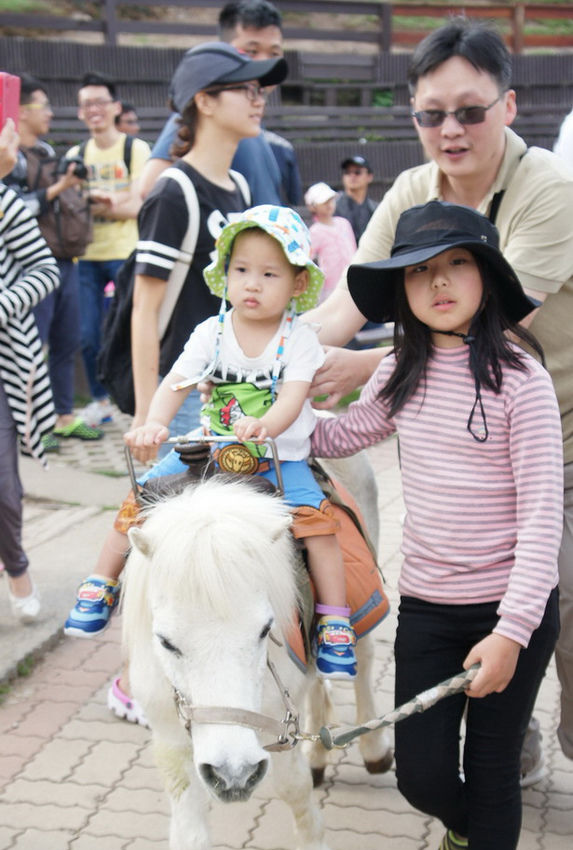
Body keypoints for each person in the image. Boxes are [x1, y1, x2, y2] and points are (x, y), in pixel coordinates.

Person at [301, 17, 573, 779]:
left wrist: (368, 369)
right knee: (471, 583)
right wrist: (271, 358)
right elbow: (343, 307)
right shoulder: (412, 191)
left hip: (556, 426)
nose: (448, 130)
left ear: (508, 107)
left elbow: (489, 325)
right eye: (430, 114)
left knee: (561, 599)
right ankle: (501, 743)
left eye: (468, 111)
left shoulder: (548, 190)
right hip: (465, 442)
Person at [311, 199, 562, 850]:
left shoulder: (520, 378)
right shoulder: (400, 369)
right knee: (421, 775)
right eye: (418, 271)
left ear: (486, 279)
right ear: (403, 293)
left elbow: (539, 518)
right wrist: (271, 423)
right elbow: (344, 436)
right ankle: (461, 833)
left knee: (492, 776)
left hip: (508, 615)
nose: (437, 281)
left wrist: (511, 632)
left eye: (454, 264)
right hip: (427, 602)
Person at [64, 42, 288, 724]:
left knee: (235, 542)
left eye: (261, 87)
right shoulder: (176, 190)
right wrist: (146, 415)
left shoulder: (242, 191)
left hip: (235, 401)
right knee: (159, 533)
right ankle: (133, 673)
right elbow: (145, 311)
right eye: (244, 87)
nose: (259, 97)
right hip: (184, 401)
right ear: (203, 101)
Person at [125, 204, 356, 678]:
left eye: (269, 273)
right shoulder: (210, 332)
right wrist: (153, 422)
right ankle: (103, 582)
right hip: (212, 452)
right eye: (242, 270)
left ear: (296, 284)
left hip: (277, 458)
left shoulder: (299, 339)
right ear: (225, 275)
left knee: (317, 522)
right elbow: (177, 381)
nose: (252, 283)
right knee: (139, 497)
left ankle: (335, 618)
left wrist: (267, 424)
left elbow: (293, 398)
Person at [2, 73, 103, 452]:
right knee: (33, 342)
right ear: (21, 112)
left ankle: (63, 416)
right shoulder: (8, 161)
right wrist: (58, 188)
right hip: (27, 269)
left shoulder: (46, 153)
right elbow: (17, 210)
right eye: (42, 106)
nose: (49, 113)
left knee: (68, 340)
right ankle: (30, 423)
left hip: (63, 259)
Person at [138, 0, 297, 205]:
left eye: (274, 54)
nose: (263, 61)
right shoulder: (203, 114)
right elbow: (152, 189)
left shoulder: (249, 124)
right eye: (251, 52)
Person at [0, 118, 60, 622]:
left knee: (4, 487)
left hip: (2, 362)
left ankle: (16, 566)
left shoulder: (7, 203)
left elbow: (45, 271)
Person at [68, 71, 151, 427]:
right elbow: (70, 205)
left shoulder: (135, 149)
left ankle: (140, 402)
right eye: (87, 104)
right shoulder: (75, 154)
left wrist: (100, 203)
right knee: (87, 334)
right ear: (79, 112)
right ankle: (101, 402)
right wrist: (116, 201)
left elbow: (139, 205)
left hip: (125, 253)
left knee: (132, 331)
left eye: (100, 102)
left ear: (115, 107)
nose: (94, 110)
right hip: (85, 256)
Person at [305, 182, 356, 300]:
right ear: (313, 207)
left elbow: (353, 249)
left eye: (331, 200)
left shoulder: (344, 223)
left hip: (351, 279)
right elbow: (308, 257)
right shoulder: (315, 231)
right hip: (330, 286)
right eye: (324, 202)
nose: (329, 205)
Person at [335, 154, 378, 244]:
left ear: (369, 177)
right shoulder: (333, 207)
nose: (352, 176)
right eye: (347, 172)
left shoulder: (376, 209)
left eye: (357, 172)